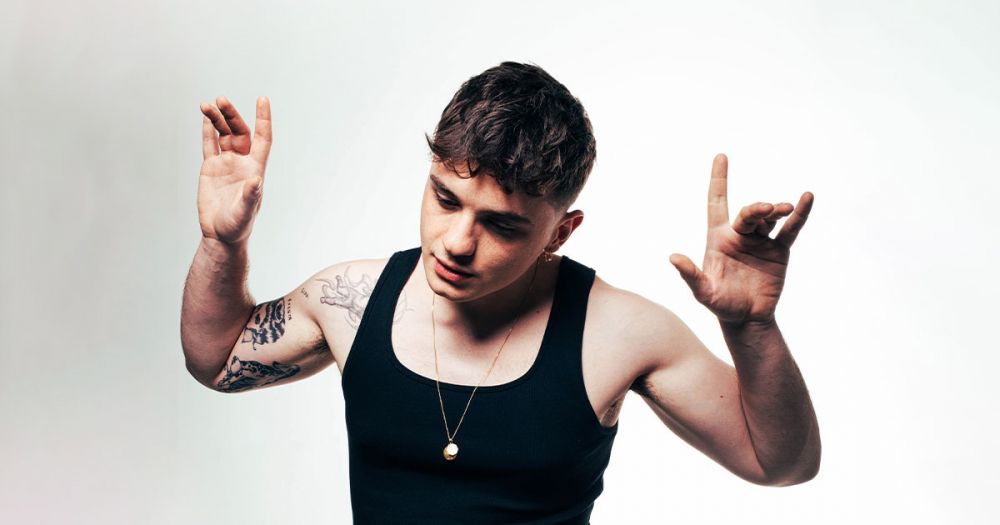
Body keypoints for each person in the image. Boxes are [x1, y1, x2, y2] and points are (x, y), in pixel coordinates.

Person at [181, 61, 821, 524]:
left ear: (560, 232)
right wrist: (221, 242)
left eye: (502, 225)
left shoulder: (619, 333)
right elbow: (217, 360)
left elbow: (781, 464)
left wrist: (752, 328)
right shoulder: (351, 298)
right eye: (446, 199)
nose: (458, 242)